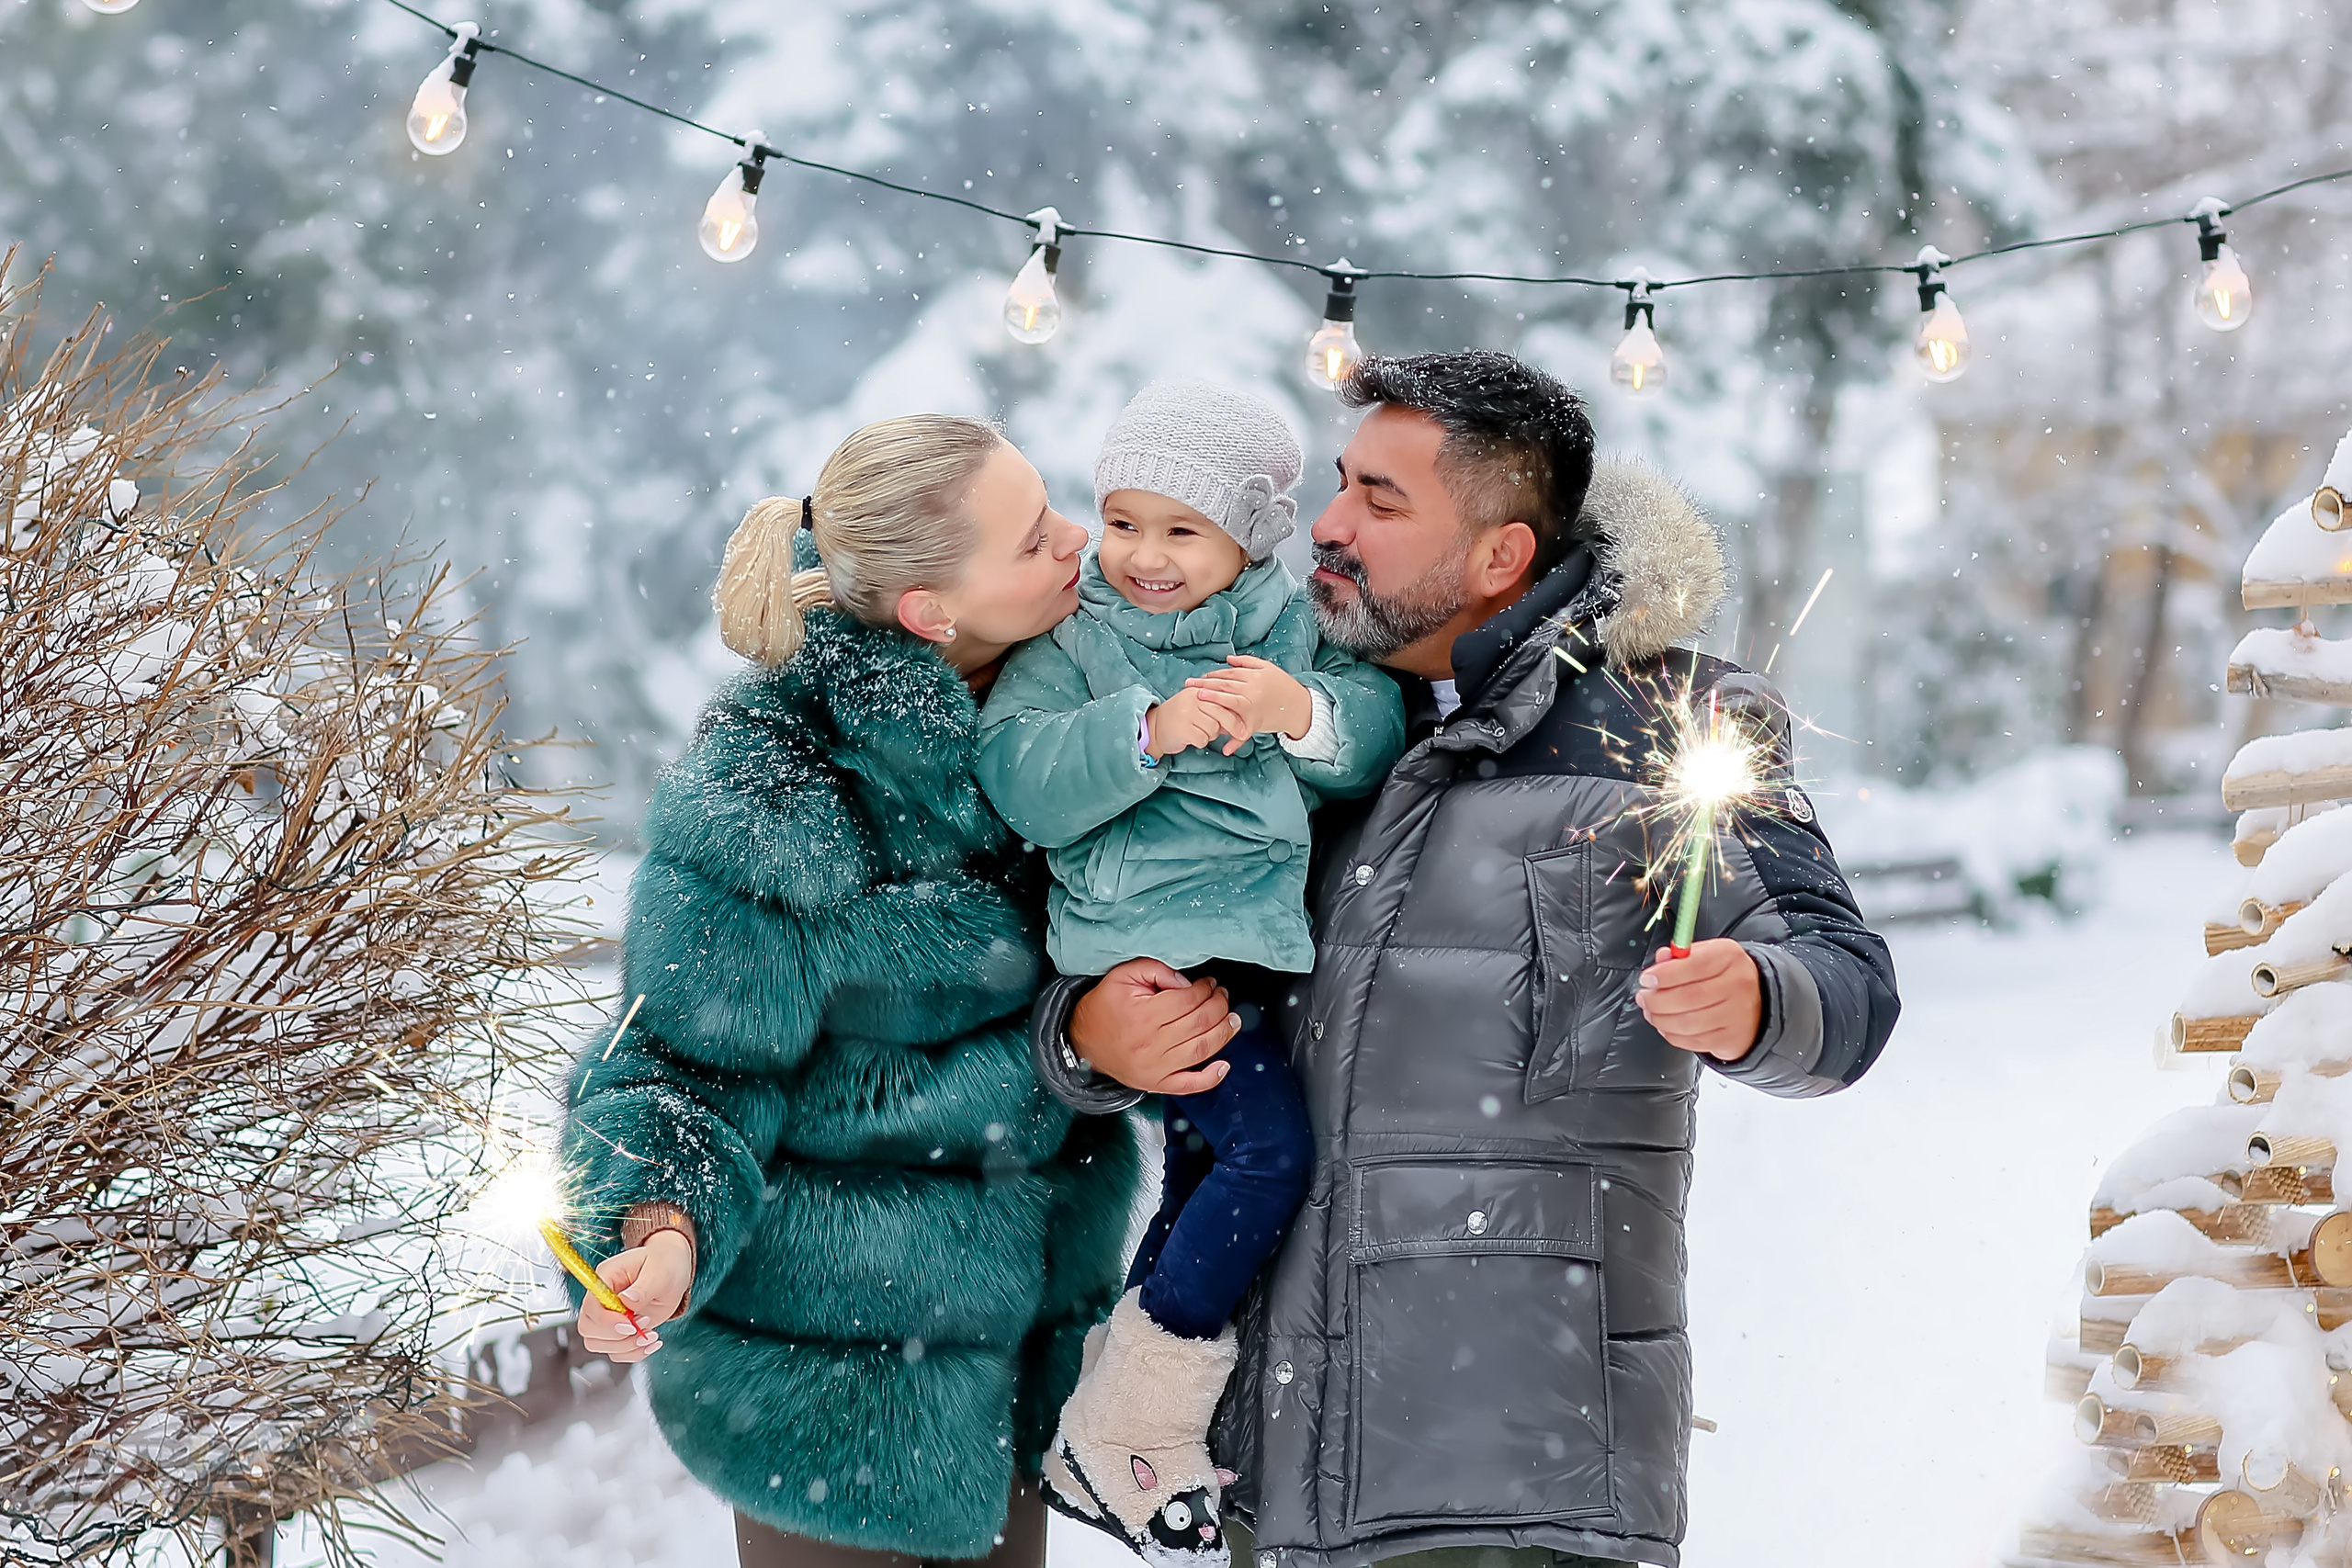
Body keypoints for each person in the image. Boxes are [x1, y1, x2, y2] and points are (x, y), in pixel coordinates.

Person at [1030, 351, 1902, 1568]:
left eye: (1382, 501)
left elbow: (1843, 981)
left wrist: (1761, 995)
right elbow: (1112, 913)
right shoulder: (1274, 711)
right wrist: (1091, 1034)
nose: (1326, 524)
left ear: (1498, 555)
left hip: (1516, 1466)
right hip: (1268, 1472)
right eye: (1340, 485)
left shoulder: (1670, 724)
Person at [555, 416, 1141, 1568]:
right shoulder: (768, 800)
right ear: (931, 611)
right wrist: (660, 1230)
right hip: (823, 1396)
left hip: (1015, 1376)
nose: (1076, 540)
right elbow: (677, 1071)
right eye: (1032, 541)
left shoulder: (1091, 734)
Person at [975, 381, 1404, 1568]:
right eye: (1123, 521)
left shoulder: (1287, 619)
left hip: (1249, 950)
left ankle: (1111, 1432)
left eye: (1181, 530)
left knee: (1207, 1171)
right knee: (1269, 1152)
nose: (1143, 556)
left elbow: (1373, 731)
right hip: (1142, 958)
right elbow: (1021, 775)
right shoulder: (1074, 638)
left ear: (1251, 536)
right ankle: (1137, 1415)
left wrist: (1298, 710)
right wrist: (1142, 730)